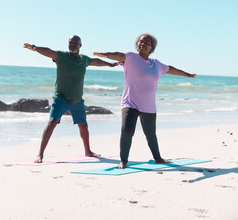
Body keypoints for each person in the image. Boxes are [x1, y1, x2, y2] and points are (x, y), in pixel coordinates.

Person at [93, 33, 196, 169]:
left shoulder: (155, 64)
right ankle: (123, 160)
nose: (142, 44)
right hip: (130, 102)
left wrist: (185, 74)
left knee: (151, 135)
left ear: (151, 47)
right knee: (127, 131)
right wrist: (105, 54)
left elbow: (170, 69)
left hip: (148, 105)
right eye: (140, 42)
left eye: (146, 43)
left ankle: (158, 158)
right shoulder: (131, 57)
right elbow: (118, 55)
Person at [24, 35, 118, 163]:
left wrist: (109, 65)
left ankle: (88, 151)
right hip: (60, 98)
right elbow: (49, 52)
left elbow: (96, 61)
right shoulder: (61, 56)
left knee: (83, 126)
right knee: (52, 123)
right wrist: (34, 48)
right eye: (70, 42)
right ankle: (40, 154)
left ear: (80, 45)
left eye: (75, 43)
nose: (72, 45)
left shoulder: (84, 60)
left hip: (77, 100)